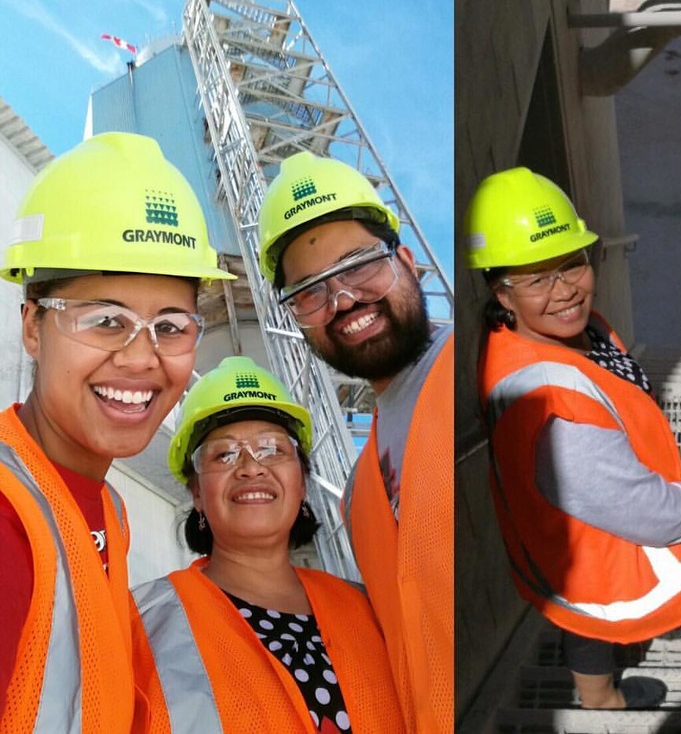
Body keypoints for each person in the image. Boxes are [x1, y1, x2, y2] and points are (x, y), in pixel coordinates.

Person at [464, 167, 681, 734]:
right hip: (604, 548)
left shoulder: (545, 336)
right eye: (537, 278)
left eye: (572, 263)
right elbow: (630, 503)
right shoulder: (549, 402)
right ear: (501, 291)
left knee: (582, 582)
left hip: (562, 547)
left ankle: (600, 704)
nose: (564, 289)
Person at [0, 132, 233, 731]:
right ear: (33, 327)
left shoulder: (108, 510)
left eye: (172, 325)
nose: (141, 359)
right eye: (106, 320)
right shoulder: (8, 518)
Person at [257, 151, 453, 734]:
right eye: (310, 291)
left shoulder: (487, 370)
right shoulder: (359, 493)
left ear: (409, 263)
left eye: (360, 264)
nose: (342, 300)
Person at [131, 355, 404, 732]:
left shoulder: (373, 612)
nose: (251, 467)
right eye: (224, 454)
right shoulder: (140, 623)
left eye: (274, 449)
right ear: (196, 491)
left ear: (302, 481)